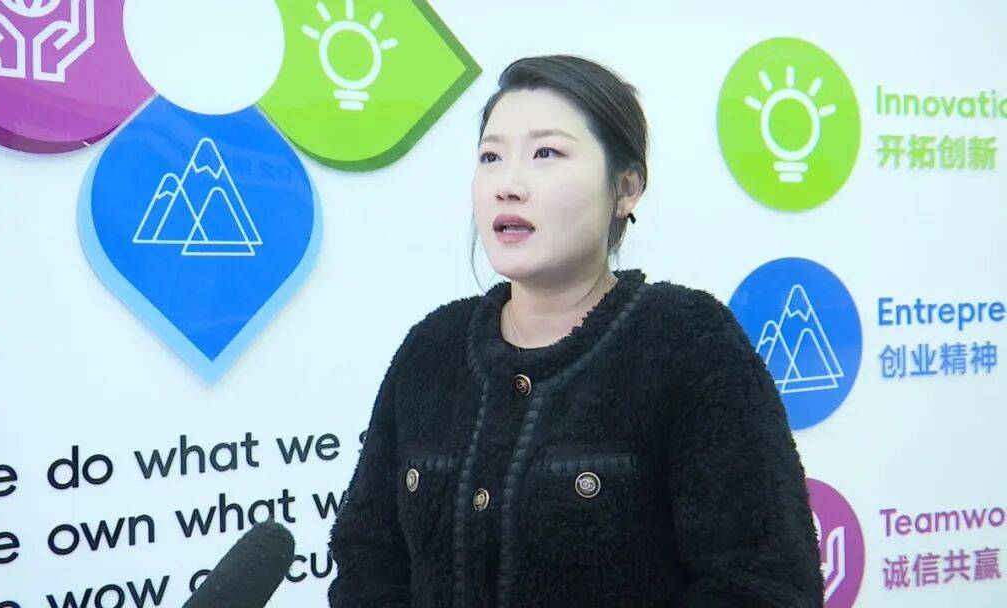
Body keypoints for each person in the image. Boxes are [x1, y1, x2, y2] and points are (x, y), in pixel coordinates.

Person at [327, 55, 824, 608]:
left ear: (625, 189)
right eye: (491, 157)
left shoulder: (688, 342)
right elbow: (367, 551)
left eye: (546, 153)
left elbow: (765, 583)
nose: (508, 185)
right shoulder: (433, 346)